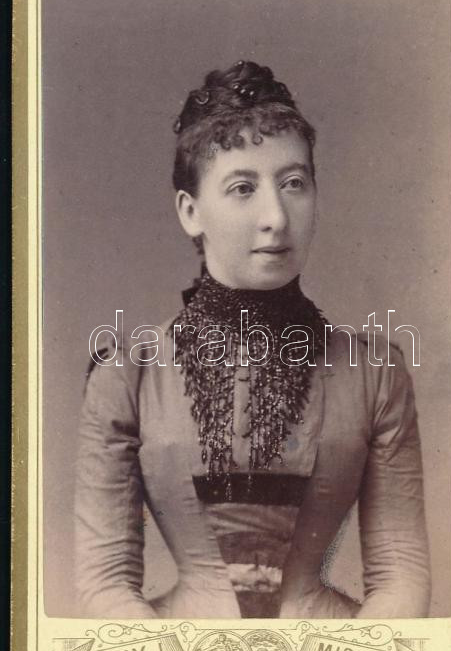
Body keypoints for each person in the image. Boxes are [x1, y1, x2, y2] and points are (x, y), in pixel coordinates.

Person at [75, 60, 431, 619]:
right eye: (243, 188)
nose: (276, 217)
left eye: (294, 184)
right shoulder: (128, 373)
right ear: (191, 212)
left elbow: (401, 570)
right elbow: (104, 580)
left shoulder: (375, 372)